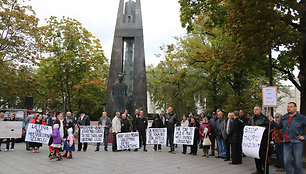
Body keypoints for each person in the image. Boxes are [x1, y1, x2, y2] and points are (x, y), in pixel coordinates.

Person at [269, 102, 306, 174]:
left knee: (298, 162)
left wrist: (304, 137)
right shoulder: (284, 117)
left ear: (295, 108)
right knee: (286, 161)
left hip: (297, 142)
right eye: (288, 107)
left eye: (291, 107)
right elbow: (279, 127)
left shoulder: (301, 118)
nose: (289, 108)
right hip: (286, 142)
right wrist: (272, 121)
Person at [249, 105, 270, 174]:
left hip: (262, 141)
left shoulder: (265, 119)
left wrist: (258, 129)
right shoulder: (251, 119)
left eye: (257, 109)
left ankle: (266, 171)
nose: (255, 111)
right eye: (254, 109)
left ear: (260, 110)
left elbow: (267, 129)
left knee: (263, 157)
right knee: (256, 156)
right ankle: (259, 170)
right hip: (254, 141)